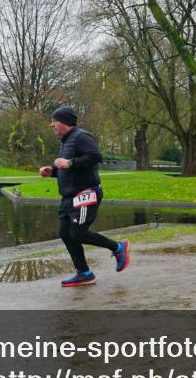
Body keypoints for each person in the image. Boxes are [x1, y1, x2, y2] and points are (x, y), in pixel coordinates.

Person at [38, 107, 130, 286]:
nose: (52, 125)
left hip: (85, 194)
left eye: (54, 121)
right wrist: (53, 172)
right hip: (69, 197)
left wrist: (69, 162)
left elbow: (95, 157)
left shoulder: (82, 136)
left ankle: (119, 248)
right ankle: (84, 273)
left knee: (78, 233)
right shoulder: (66, 141)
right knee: (65, 233)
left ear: (63, 121)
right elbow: (72, 169)